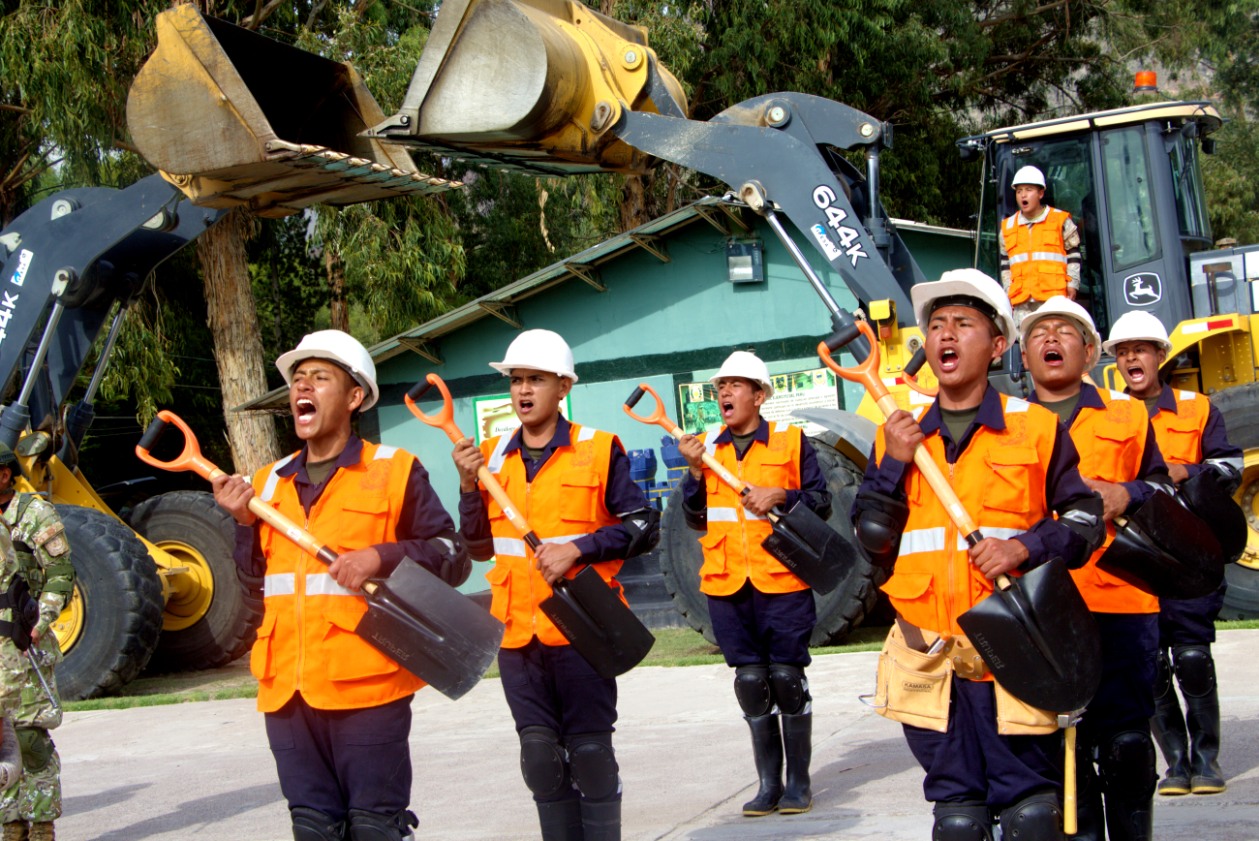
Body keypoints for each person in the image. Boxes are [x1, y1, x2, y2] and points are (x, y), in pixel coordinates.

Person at [851, 269, 1104, 841]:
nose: (946, 334)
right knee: (958, 817)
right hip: (928, 653)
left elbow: (1085, 522)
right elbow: (872, 538)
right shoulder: (899, 434)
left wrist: (1024, 546)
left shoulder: (1034, 427)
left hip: (1013, 649)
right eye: (936, 325)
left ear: (996, 346)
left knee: (1031, 813)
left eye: (963, 324)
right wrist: (893, 461)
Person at [212, 329, 470, 841]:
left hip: (368, 687)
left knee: (376, 828)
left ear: (354, 397)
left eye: (320, 378)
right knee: (312, 828)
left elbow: (452, 555)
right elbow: (252, 585)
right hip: (287, 690)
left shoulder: (394, 470)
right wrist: (243, 524)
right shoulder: (264, 486)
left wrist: (381, 556)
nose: (303, 387)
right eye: (297, 379)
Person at [452, 329, 660, 841]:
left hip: (583, 631)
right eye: (517, 380)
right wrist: (466, 485)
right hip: (518, 637)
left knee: (589, 754)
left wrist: (579, 549)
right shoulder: (489, 458)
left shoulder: (598, 448)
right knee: (541, 758)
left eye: (536, 379)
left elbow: (643, 526)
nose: (523, 390)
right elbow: (479, 548)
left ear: (563, 386)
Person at [1021, 297, 1172, 841]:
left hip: (1121, 600)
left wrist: (1125, 493)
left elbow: (1163, 489)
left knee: (1128, 744)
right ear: (1022, 354)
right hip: (1041, 610)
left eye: (1065, 331)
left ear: (1089, 353)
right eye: (1039, 333)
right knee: (1062, 750)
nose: (1051, 339)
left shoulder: (1128, 415)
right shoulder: (1010, 424)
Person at [675, 351, 831, 818]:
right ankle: (768, 784)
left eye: (735, 385)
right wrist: (694, 472)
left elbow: (821, 503)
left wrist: (783, 494)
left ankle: (798, 784)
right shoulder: (705, 448)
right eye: (720, 386)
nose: (724, 393)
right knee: (750, 682)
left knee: (786, 677)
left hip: (781, 581)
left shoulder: (789, 440)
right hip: (727, 583)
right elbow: (693, 517)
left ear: (758, 396)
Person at [1102, 310, 1242, 798]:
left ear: (1160, 355)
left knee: (1191, 656)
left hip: (1188, 558)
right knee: (1153, 663)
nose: (1130, 358)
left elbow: (1231, 467)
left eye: (1140, 349)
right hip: (1137, 557)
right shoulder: (1108, 413)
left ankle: (1207, 760)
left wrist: (1187, 471)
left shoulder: (1197, 408)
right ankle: (1176, 764)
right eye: (1122, 352)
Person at [0, 443, 74, 841]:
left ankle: (42, 824)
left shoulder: (32, 514)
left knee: (29, 740)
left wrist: (42, 617)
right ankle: (10, 825)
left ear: (6, 474)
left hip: (24, 643)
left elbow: (61, 574)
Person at [999, 165, 1083, 323]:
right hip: (1021, 303)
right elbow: (1005, 263)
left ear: (1041, 193)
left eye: (1028, 190)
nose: (1023, 195)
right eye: (1019, 191)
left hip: (1053, 299)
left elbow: (1074, 254)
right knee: (1026, 344)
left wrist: (1072, 284)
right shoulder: (1007, 227)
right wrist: (1008, 290)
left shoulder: (1060, 220)